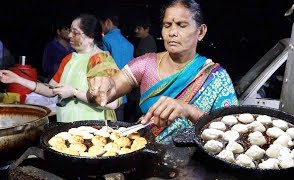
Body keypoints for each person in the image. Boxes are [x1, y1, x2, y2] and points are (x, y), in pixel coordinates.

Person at [87, 0, 239, 143]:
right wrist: (99, 86)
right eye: (167, 25)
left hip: (195, 164)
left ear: (201, 32)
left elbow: (231, 132)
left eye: (181, 25)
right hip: (147, 156)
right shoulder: (146, 64)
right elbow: (107, 91)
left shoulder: (215, 76)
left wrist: (190, 111)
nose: (172, 32)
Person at [0, 14, 121, 122]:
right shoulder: (69, 59)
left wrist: (74, 92)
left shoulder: (100, 60)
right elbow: (50, 90)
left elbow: (112, 103)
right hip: (66, 126)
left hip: (93, 128)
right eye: (70, 31)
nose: (69, 35)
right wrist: (17, 79)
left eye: (75, 32)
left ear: (90, 37)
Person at [100, 9, 134, 122]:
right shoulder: (129, 44)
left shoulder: (106, 40)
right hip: (124, 94)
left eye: (102, 25)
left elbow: (103, 67)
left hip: (110, 93)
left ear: (107, 22)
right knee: (120, 125)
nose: (102, 28)